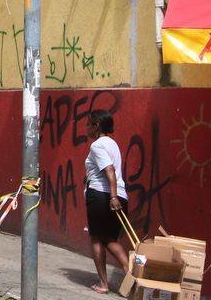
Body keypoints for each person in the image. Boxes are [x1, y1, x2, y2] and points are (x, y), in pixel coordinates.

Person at [84, 109, 130, 293]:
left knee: (97, 238)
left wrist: (112, 196)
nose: (86, 127)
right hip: (119, 194)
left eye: (89, 124)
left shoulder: (97, 146)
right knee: (110, 238)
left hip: (102, 196)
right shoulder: (113, 144)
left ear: (96, 126)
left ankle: (104, 283)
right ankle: (130, 272)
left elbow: (109, 170)